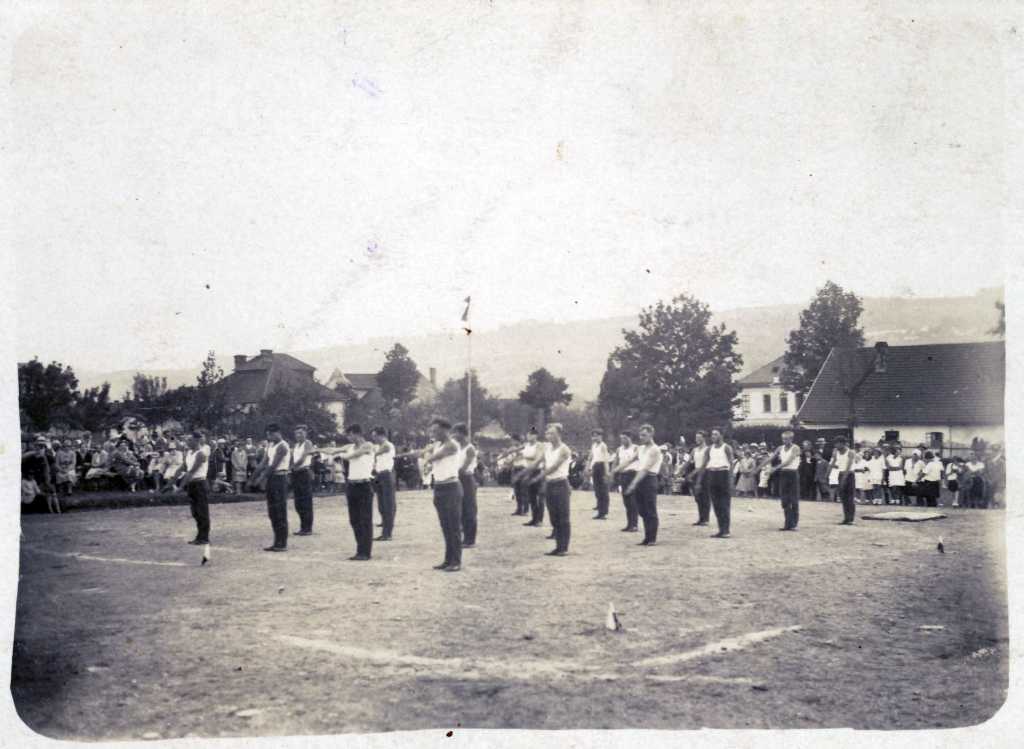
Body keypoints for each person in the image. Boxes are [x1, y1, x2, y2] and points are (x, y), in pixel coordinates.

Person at [423, 418, 463, 571]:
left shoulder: (452, 445)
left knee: (453, 526)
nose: (432, 434)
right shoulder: (438, 444)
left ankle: (456, 561)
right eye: (431, 431)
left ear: (445, 430)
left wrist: (426, 457)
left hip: (451, 487)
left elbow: (434, 458)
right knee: (445, 526)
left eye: (435, 431)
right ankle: (448, 559)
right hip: (439, 487)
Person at [531, 422, 573, 556]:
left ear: (559, 434)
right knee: (553, 517)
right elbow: (537, 462)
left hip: (561, 484)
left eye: (552, 433)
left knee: (563, 517)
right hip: (550, 484)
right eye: (547, 433)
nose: (548, 436)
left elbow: (554, 467)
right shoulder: (547, 449)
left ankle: (563, 547)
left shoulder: (564, 449)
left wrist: (538, 478)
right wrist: (525, 473)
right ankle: (558, 546)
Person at [336, 424, 377, 560]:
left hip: (364, 485)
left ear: (356, 433)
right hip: (352, 485)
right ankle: (360, 550)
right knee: (354, 520)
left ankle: (365, 552)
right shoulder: (350, 447)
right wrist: (317, 449)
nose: (348, 438)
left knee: (365, 519)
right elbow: (334, 450)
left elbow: (353, 456)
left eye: (349, 435)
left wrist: (341, 455)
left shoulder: (368, 445)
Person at [250, 424, 291, 551]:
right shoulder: (270, 445)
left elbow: (273, 466)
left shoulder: (283, 446)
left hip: (280, 478)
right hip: (272, 479)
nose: (269, 437)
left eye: (271, 434)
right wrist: (252, 478)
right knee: (272, 511)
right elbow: (263, 463)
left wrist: (260, 479)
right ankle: (276, 541)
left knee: (280, 511)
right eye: (268, 434)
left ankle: (282, 542)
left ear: (278, 433)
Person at [626, 424, 663, 546]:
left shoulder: (655, 449)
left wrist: (633, 484)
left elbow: (646, 469)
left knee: (650, 509)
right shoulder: (640, 448)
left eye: (644, 435)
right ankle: (647, 537)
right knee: (641, 510)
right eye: (640, 435)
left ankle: (651, 538)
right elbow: (630, 460)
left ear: (651, 434)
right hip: (640, 479)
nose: (641, 437)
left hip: (649, 479)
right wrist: (616, 469)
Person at [175, 431, 210, 545]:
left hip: (200, 484)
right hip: (192, 485)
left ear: (197, 440)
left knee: (202, 511)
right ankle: (200, 536)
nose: (187, 442)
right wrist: (170, 483)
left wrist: (180, 487)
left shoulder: (201, 454)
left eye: (190, 440)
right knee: (195, 512)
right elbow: (182, 468)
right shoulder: (189, 453)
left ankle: (204, 537)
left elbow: (191, 472)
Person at [704, 428, 735, 538]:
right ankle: (720, 529)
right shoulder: (709, 449)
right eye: (712, 434)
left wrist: (731, 480)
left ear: (721, 435)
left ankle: (726, 530)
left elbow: (731, 464)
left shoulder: (727, 447)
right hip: (712, 474)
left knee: (724, 504)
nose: (713, 436)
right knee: (716, 504)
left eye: (716, 434)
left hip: (723, 474)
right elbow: (705, 463)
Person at [452, 423, 478, 549]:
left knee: (469, 509)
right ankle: (465, 537)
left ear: (462, 433)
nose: (454, 435)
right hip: (458, 478)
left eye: (456, 432)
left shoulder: (470, 448)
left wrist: (450, 472)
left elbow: (464, 468)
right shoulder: (457, 448)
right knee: (460, 509)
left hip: (467, 478)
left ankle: (470, 539)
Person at [609, 430, 640, 532]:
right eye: (621, 438)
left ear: (630, 438)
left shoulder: (636, 448)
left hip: (633, 474)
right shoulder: (619, 449)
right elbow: (615, 461)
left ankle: (634, 524)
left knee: (632, 500)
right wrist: (613, 472)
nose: (622, 440)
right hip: (623, 474)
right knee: (626, 500)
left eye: (625, 438)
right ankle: (629, 524)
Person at [371, 427, 397, 541]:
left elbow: (376, 453)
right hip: (379, 475)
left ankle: (387, 533)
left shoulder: (388, 445)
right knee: (381, 504)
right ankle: (385, 529)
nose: (373, 438)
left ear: (381, 435)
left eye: (375, 436)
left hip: (387, 475)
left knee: (388, 504)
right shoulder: (379, 446)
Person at [771, 430, 800, 531]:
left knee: (793, 499)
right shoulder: (780, 448)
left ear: (791, 439)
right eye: (783, 438)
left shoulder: (795, 448)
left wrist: (776, 468)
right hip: (784, 474)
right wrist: (758, 468)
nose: (784, 441)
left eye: (787, 439)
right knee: (784, 500)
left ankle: (794, 524)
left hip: (792, 473)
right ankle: (787, 523)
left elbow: (789, 461)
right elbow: (771, 458)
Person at [22, 437, 60, 514]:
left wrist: (50, 479)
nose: (40, 448)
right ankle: (49, 509)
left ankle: (57, 510)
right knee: (32, 492)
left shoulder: (48, 456)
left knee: (51, 492)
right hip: (31, 480)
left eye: (42, 446)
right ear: (35, 446)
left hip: (44, 479)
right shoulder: (29, 456)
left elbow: (53, 468)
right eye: (38, 446)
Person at [518, 428, 545, 527]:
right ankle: (534, 518)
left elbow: (537, 457)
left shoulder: (539, 445)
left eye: (530, 435)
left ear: (535, 436)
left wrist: (525, 456)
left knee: (540, 497)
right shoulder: (526, 445)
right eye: (527, 435)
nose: (528, 437)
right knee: (531, 496)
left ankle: (540, 520)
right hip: (529, 471)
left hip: (538, 471)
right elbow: (519, 452)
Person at [829, 436, 857, 525]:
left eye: (837, 443)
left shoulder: (851, 452)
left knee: (850, 498)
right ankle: (846, 518)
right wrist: (827, 474)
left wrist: (844, 479)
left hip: (849, 475)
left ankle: (851, 519)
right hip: (840, 474)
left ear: (843, 443)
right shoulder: (836, 452)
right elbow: (832, 464)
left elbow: (848, 467)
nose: (835, 445)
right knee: (843, 498)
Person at [686, 431, 710, 526]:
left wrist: (692, 474)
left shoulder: (707, 449)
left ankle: (706, 519)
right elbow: (688, 462)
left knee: (705, 496)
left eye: (699, 437)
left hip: (705, 473)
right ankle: (701, 518)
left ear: (704, 438)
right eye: (696, 437)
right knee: (697, 497)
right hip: (696, 473)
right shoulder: (694, 450)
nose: (697, 439)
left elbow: (703, 464)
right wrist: (679, 472)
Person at [587, 429, 611, 520]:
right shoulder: (593, 445)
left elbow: (605, 460)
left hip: (601, 466)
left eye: (597, 435)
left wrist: (607, 472)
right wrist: (588, 467)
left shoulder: (603, 446)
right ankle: (600, 509)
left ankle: (603, 512)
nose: (595, 437)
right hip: (595, 466)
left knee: (603, 491)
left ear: (601, 436)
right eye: (593, 436)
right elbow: (591, 457)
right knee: (597, 490)